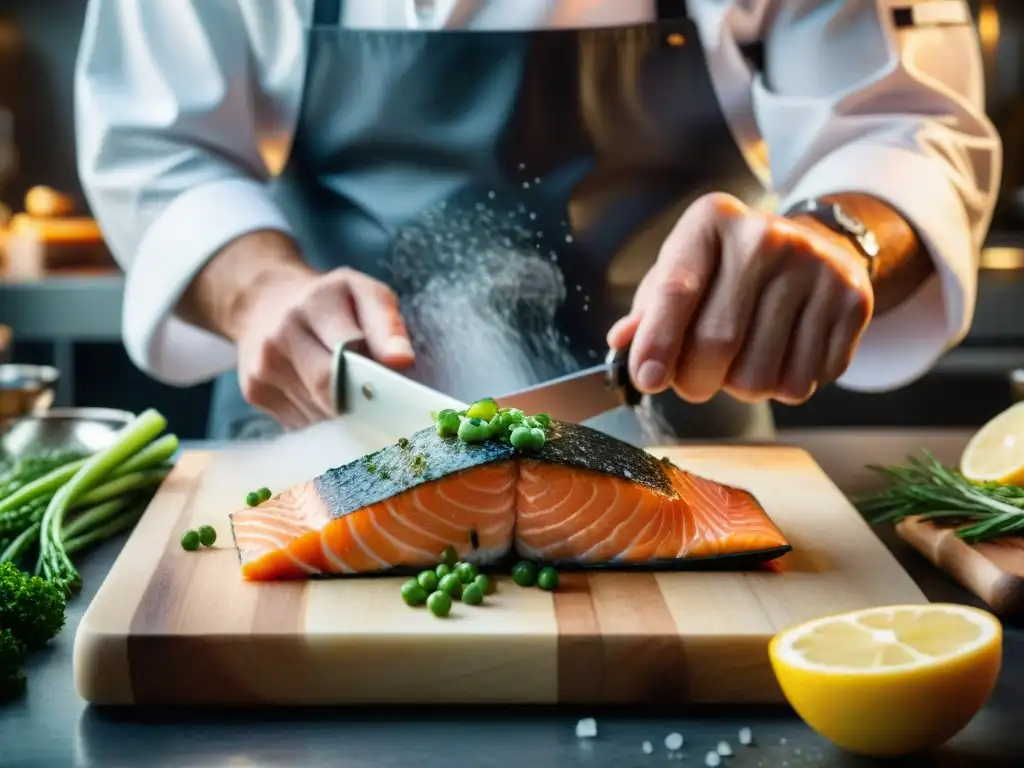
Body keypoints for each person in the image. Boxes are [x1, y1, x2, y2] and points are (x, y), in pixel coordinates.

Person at [75, 0, 1000, 443]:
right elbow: (157, 145)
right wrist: (260, 290)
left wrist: (845, 235)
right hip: (315, 436)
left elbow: (903, 125)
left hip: (690, 446)